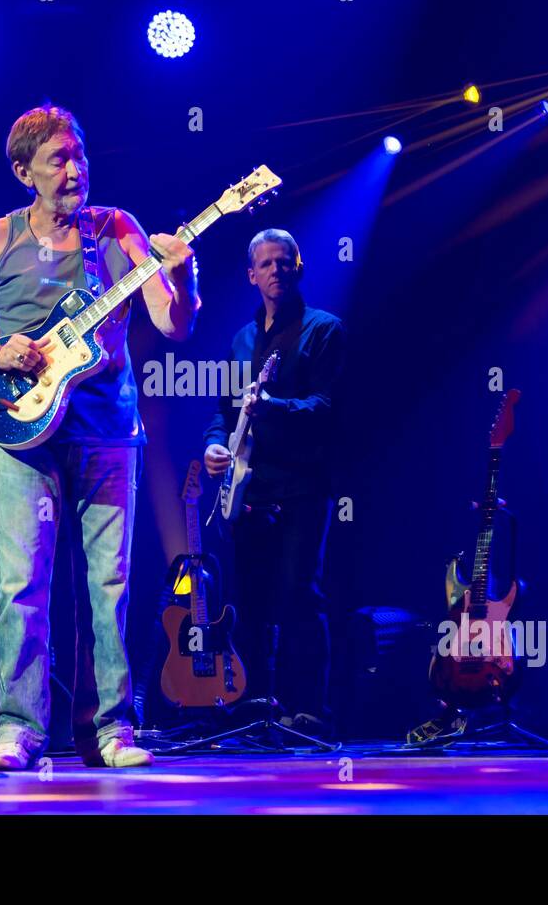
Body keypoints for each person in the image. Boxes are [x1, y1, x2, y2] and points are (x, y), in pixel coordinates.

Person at [0, 104, 199, 769]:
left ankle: (115, 729)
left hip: (106, 427)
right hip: (21, 429)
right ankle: (17, 728)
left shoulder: (119, 228)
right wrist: (0, 354)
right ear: (24, 171)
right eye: (57, 159)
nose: (74, 168)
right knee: (20, 579)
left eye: (79, 154)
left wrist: (182, 271)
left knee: (111, 583)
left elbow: (174, 324)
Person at [202, 229, 345, 737]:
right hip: (249, 491)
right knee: (252, 601)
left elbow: (330, 407)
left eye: (284, 263)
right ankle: (257, 705)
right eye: (265, 264)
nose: (275, 271)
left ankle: (308, 709)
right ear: (251, 275)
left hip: (301, 486)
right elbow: (223, 411)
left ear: (299, 267)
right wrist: (215, 446)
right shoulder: (241, 339)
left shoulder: (324, 330)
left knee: (298, 595)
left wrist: (272, 407)